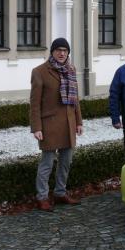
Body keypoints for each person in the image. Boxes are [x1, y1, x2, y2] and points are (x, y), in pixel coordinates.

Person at [29, 38, 84, 211]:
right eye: (58, 50)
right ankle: (42, 197)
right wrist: (36, 127)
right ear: (52, 52)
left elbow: (75, 100)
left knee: (66, 162)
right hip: (49, 125)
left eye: (65, 50)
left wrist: (79, 122)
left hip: (68, 124)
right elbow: (34, 103)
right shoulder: (40, 72)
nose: (62, 53)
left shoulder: (71, 69)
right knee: (47, 163)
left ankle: (60, 192)